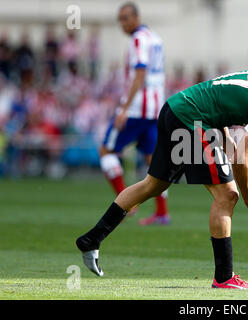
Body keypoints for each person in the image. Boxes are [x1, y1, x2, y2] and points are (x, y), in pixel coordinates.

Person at [76, 69, 248, 289]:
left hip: (175, 108)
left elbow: (218, 94)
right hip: (191, 120)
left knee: (153, 185)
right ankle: (224, 277)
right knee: (228, 195)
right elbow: (242, 158)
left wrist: (226, 138)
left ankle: (91, 239)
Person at [99, 2, 169, 225]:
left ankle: (126, 203)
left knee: (106, 150)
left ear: (136, 17)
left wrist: (125, 108)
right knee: (153, 163)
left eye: (125, 18)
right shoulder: (155, 38)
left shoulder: (138, 39)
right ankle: (162, 213)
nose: (122, 24)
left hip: (137, 109)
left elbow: (140, 73)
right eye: (120, 19)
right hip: (154, 109)